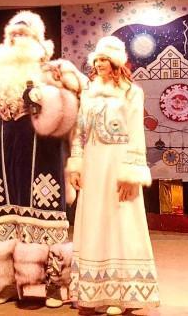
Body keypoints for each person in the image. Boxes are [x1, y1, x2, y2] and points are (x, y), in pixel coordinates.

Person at [0, 11, 85, 307]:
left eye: (24, 34)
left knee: (44, 219)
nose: (18, 39)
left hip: (44, 158)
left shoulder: (53, 71)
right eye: (14, 35)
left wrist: (45, 100)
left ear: (37, 39)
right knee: (6, 217)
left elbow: (73, 114)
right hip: (8, 159)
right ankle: (3, 282)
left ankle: (50, 285)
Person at [67, 36, 159, 315]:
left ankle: (122, 293)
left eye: (104, 59)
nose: (99, 64)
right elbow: (79, 132)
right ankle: (93, 292)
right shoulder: (88, 93)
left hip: (118, 163)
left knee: (121, 221)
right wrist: (76, 164)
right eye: (97, 59)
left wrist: (131, 173)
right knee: (94, 221)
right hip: (93, 164)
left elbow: (136, 133)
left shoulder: (131, 93)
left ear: (116, 62)